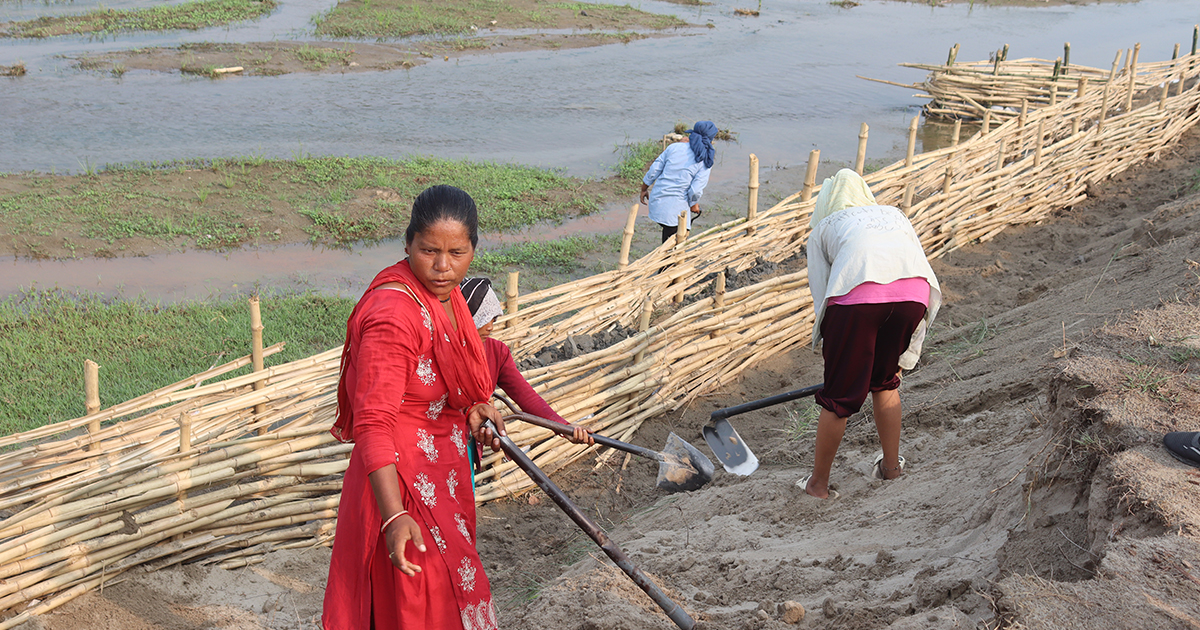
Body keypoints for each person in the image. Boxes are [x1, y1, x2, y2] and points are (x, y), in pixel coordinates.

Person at [324, 185, 505, 630]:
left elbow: (450, 387)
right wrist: (394, 517)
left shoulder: (449, 298)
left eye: (456, 253)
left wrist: (475, 408)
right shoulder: (393, 314)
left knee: (448, 592)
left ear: (473, 249)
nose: (443, 267)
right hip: (398, 483)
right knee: (411, 601)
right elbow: (372, 422)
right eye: (428, 251)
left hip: (441, 472)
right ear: (407, 244)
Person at [798, 169, 941, 500]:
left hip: (858, 302)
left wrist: (834, 355)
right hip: (914, 296)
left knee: (839, 399)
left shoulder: (824, 228)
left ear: (826, 203)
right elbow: (914, 263)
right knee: (886, 381)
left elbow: (824, 296)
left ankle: (818, 486)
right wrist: (907, 352)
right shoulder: (893, 215)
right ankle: (891, 469)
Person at [459, 277, 594, 446]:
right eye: (483, 318)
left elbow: (526, 396)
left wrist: (564, 427)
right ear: (463, 316)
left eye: (493, 319)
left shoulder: (497, 352)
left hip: (471, 442)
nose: (490, 327)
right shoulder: (444, 351)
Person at [640, 121, 718, 243]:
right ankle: (668, 260)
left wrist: (644, 189)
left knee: (669, 232)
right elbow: (695, 190)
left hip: (657, 203)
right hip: (675, 210)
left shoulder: (674, 147)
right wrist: (693, 204)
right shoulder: (705, 161)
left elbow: (654, 170)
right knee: (673, 238)